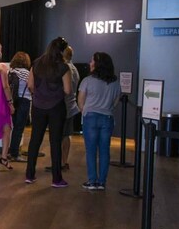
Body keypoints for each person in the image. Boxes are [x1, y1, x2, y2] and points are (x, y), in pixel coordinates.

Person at [25, 37, 72, 187]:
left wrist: (39, 95)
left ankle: (29, 175)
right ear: (62, 51)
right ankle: (56, 179)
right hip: (56, 107)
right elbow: (67, 90)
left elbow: (30, 85)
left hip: (38, 106)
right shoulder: (63, 67)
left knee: (35, 140)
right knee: (55, 142)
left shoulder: (37, 63)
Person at [78, 52, 121, 191]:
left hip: (90, 117)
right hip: (107, 118)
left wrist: (85, 111)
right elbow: (116, 102)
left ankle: (92, 181)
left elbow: (80, 101)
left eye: (92, 61)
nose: (90, 63)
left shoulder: (87, 81)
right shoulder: (115, 83)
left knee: (90, 151)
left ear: (97, 64)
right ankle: (102, 182)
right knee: (104, 151)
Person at [47, 46, 81, 171]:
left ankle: (58, 163)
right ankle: (63, 162)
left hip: (61, 106)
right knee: (66, 135)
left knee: (57, 136)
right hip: (71, 106)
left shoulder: (64, 69)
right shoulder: (74, 69)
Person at [7, 52, 32, 162]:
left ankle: (11, 151)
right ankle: (14, 154)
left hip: (14, 101)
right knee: (19, 128)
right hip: (24, 101)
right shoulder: (26, 73)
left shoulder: (11, 71)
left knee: (15, 128)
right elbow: (30, 86)